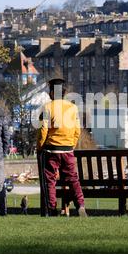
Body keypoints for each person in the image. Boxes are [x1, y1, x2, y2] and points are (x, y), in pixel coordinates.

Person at [37, 78, 87, 217]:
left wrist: (40, 147)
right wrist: (72, 144)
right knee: (73, 179)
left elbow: (43, 131)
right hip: (68, 149)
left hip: (51, 150)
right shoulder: (73, 107)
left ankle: (52, 209)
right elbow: (77, 130)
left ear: (52, 92)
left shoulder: (47, 107)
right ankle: (80, 205)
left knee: (50, 181)